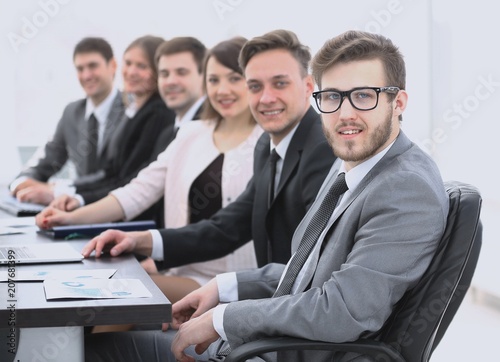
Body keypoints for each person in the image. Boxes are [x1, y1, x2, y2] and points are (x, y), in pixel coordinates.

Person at [85, 30, 450, 362]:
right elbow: (308, 271)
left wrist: (226, 318)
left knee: (103, 350)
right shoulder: (353, 165)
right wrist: (225, 288)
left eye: (364, 96)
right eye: (333, 97)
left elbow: (342, 311)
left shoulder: (404, 187)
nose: (345, 113)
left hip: (292, 352)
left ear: (398, 102)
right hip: (275, 345)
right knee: (98, 343)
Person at [76, 29, 336, 275]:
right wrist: (140, 240)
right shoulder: (268, 147)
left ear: (308, 86)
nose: (266, 98)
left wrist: (224, 296)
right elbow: (227, 228)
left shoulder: (323, 148)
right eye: (255, 86)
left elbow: (314, 265)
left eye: (280, 83)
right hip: (261, 297)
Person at [36, 37, 262, 304]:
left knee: (114, 292)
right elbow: (137, 190)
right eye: (214, 80)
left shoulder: (265, 142)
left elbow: (229, 228)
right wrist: (71, 218)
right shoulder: (192, 134)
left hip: (232, 284)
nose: (222, 90)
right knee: (98, 285)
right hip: (182, 269)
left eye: (234, 78)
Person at [49, 36, 207, 212]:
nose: (132, 72)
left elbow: (133, 181)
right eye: (129, 63)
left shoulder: (159, 114)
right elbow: (115, 173)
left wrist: (77, 200)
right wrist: (71, 194)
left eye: (142, 66)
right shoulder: (135, 112)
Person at [9, 37, 125, 205]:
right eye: (80, 68)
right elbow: (48, 159)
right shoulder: (72, 112)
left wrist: (57, 188)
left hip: (117, 209)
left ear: (112, 66)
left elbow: (114, 175)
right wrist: (23, 182)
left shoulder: (130, 110)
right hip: (75, 210)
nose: (86, 75)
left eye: (93, 66)